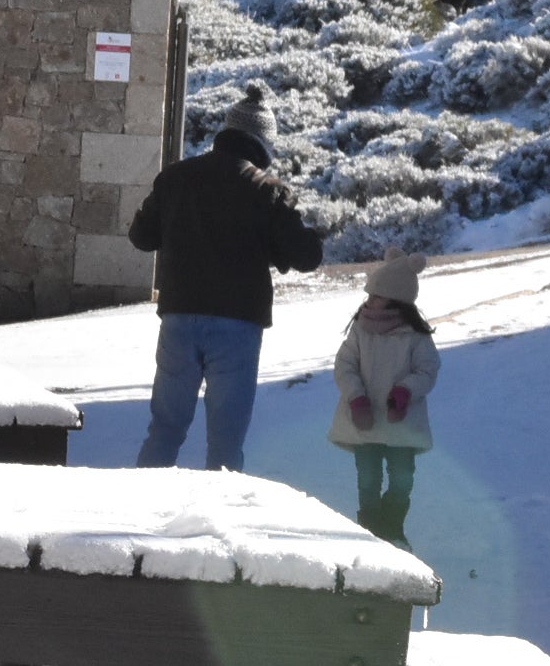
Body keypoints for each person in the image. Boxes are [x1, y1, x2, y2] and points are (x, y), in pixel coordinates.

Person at [127, 84, 323, 471]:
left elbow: (140, 236)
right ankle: (218, 525)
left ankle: (139, 512)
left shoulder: (176, 178)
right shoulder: (268, 191)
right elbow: (306, 257)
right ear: (265, 143)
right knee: (225, 441)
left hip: (179, 317)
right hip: (237, 324)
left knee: (165, 429)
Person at [329, 254, 439, 545]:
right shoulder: (360, 330)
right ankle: (370, 532)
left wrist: (406, 390)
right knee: (367, 481)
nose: (369, 300)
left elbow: (427, 370)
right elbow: (344, 365)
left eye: (377, 295)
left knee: (402, 480)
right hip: (364, 425)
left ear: (396, 300)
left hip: (402, 426)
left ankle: (392, 528)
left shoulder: (416, 336)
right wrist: (356, 398)